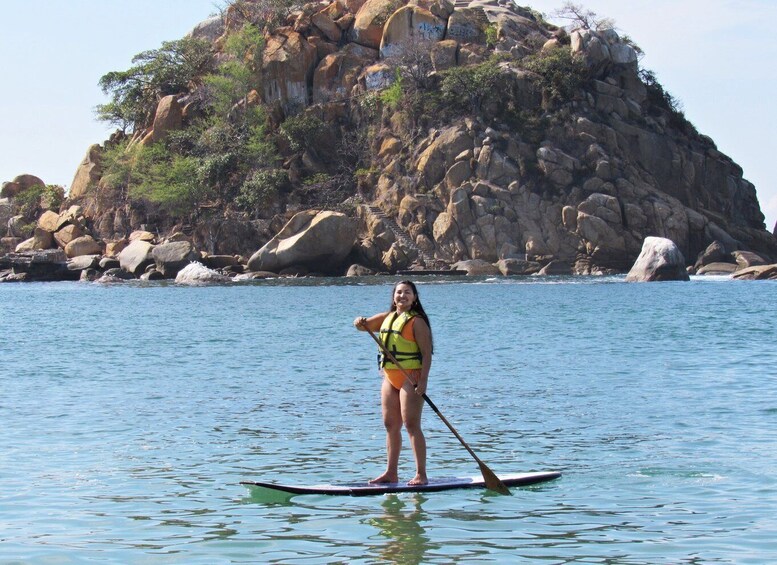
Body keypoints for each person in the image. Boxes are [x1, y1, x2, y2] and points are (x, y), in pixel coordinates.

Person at [354, 280, 433, 486]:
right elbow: (363, 326)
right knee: (391, 425)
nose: (402, 296)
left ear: (414, 298)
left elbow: (427, 354)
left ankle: (421, 474)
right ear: (393, 297)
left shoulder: (417, 322)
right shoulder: (387, 318)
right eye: (399, 292)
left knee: (411, 425)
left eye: (407, 292)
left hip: (411, 378)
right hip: (390, 378)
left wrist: (423, 381)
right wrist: (359, 321)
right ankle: (391, 473)